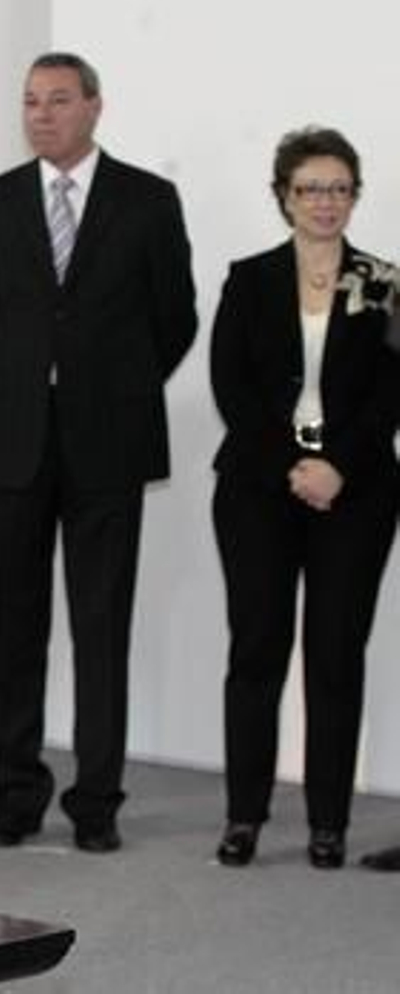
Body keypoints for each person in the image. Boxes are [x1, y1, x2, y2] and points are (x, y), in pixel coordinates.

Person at [0, 53, 197, 853]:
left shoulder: (147, 199)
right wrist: (41, 381)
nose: (41, 114)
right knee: (10, 627)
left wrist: (111, 386)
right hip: (16, 439)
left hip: (110, 441)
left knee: (102, 626)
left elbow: (176, 318)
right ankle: (18, 796)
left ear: (95, 106)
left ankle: (96, 803)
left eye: (58, 100)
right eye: (30, 101)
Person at [209, 127, 400, 870]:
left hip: (356, 493)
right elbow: (235, 385)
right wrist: (294, 463)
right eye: (310, 188)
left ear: (355, 196)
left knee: (334, 654)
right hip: (259, 487)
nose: (325, 202)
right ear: (284, 196)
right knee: (256, 650)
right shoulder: (248, 278)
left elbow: (390, 393)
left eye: (339, 188)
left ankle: (328, 822)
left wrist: (335, 466)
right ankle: (244, 816)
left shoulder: (384, 281)